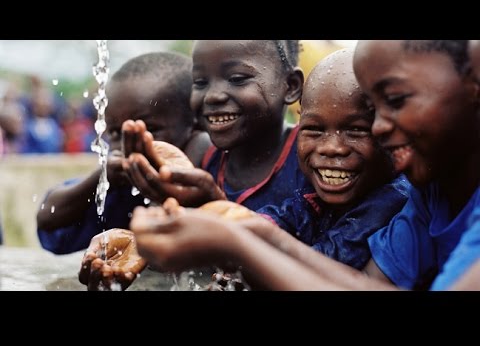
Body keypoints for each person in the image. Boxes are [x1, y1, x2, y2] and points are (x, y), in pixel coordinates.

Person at [130, 40, 480, 291]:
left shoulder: (396, 197)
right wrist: (236, 229)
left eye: (396, 101)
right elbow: (367, 284)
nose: (379, 127)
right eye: (313, 129)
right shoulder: (428, 199)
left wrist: (238, 244)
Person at [37, 52, 211, 257]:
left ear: (195, 124)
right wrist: (102, 177)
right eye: (114, 132)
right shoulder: (118, 184)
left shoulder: (210, 172)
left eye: (148, 130)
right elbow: (48, 217)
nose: (125, 144)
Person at [255, 48, 409, 269]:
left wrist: (246, 251)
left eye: (356, 130)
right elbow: (286, 217)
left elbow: (328, 261)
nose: (331, 148)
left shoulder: (392, 200)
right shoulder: (317, 190)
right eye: (314, 130)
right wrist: (243, 225)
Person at [122, 40, 310, 211]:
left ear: (291, 86)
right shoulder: (201, 157)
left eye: (237, 79)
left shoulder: (309, 158)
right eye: (200, 82)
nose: (212, 95)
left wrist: (213, 207)